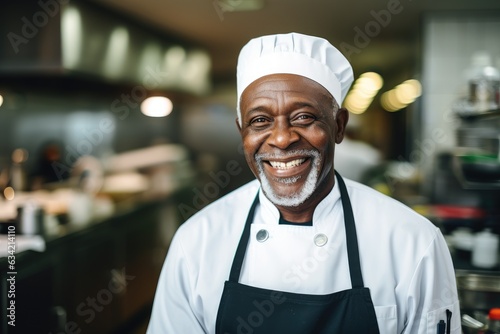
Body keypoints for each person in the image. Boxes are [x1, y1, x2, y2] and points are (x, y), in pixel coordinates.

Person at [147, 32, 461, 333]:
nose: (282, 139)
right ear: (241, 131)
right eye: (260, 121)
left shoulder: (413, 243)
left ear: (339, 126)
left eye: (303, 117)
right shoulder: (196, 242)